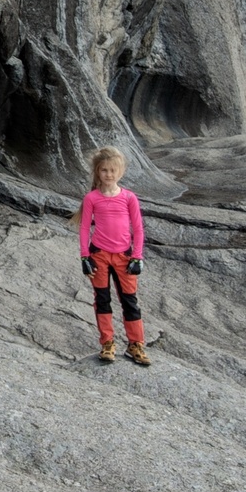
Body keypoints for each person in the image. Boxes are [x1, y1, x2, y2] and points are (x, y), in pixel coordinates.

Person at [78, 147, 147, 367]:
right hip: (98, 255)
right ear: (98, 172)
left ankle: (135, 344)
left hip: (124, 257)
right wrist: (84, 257)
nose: (109, 174)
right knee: (102, 299)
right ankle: (107, 343)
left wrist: (137, 256)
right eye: (104, 170)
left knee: (129, 301)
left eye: (113, 170)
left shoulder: (129, 198)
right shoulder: (91, 198)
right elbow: (83, 228)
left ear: (121, 172)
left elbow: (138, 227)